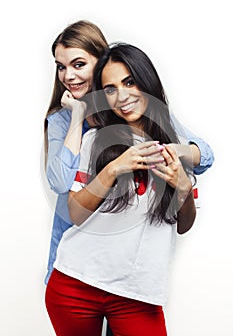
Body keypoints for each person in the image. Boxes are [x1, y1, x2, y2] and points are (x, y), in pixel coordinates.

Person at [45, 43, 211, 335]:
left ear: (147, 81)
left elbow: (183, 225)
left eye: (129, 82)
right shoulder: (94, 140)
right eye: (110, 89)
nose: (122, 96)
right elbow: (75, 212)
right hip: (76, 285)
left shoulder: (175, 145)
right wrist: (112, 169)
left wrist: (183, 186)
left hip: (139, 296)